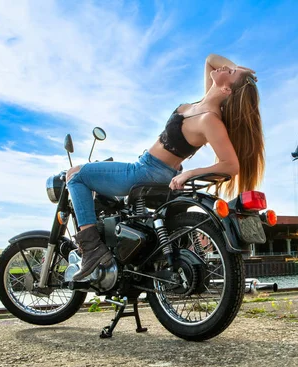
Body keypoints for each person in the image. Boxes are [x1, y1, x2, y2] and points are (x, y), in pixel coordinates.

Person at [66, 54, 265, 281]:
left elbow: (231, 165)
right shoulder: (203, 104)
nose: (226, 68)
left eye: (229, 72)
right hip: (152, 169)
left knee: (75, 176)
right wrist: (236, 70)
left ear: (227, 90)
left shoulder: (210, 119)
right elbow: (210, 60)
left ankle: (91, 249)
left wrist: (191, 172)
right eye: (229, 68)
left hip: (144, 171)